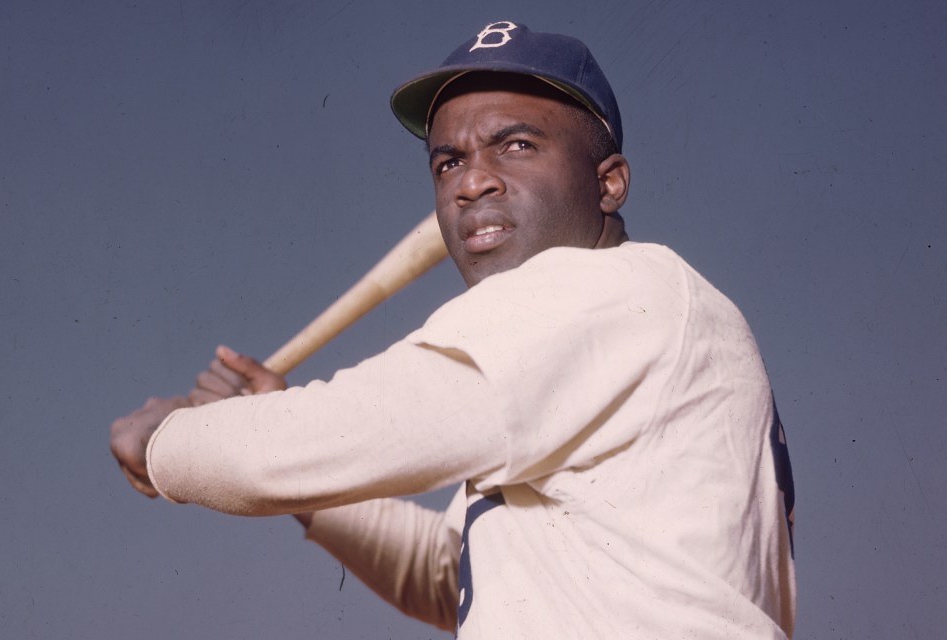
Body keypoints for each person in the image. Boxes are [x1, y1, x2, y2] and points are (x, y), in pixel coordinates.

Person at [110, 21, 796, 638]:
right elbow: (452, 578)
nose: (471, 184)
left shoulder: (609, 294)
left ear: (609, 183)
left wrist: (163, 442)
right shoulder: (617, 339)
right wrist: (281, 443)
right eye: (449, 162)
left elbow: (307, 445)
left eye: (517, 145)